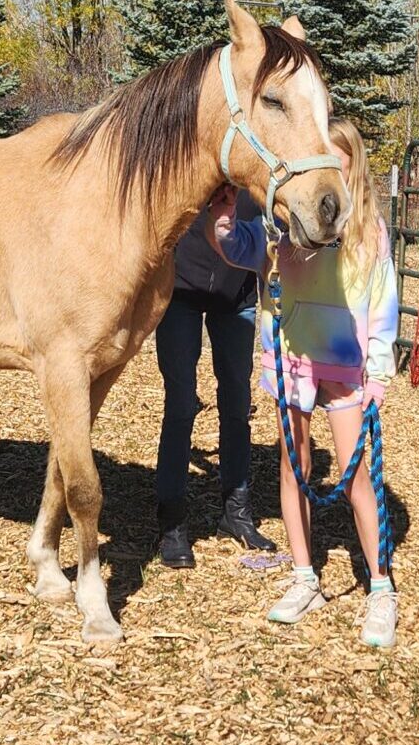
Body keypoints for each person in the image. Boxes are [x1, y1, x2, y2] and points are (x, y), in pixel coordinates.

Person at [208, 117, 400, 648]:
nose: (323, 172)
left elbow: (383, 306)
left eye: (334, 161)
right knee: (294, 472)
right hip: (291, 364)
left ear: (351, 167)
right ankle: (304, 577)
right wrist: (223, 224)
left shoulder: (367, 231)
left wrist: (378, 371)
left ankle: (381, 589)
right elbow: (242, 246)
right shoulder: (285, 225)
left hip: (343, 369)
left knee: (357, 476)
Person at [154, 189, 277, 569]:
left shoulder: (253, 170)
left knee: (237, 404)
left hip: (236, 298)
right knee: (181, 403)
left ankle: (235, 512)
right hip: (180, 293)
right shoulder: (195, 164)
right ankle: (172, 521)